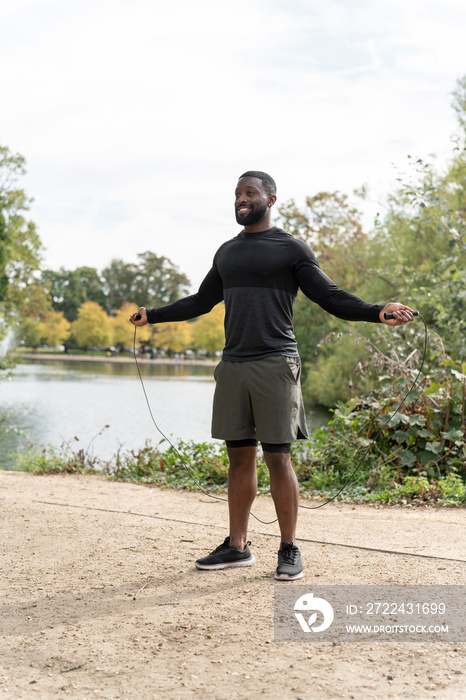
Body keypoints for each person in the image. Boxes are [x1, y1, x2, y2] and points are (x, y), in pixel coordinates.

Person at [130, 170, 415, 581]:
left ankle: (289, 548)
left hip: (275, 363)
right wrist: (152, 315)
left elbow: (329, 297)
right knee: (237, 457)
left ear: (271, 199)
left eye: (250, 193)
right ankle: (237, 546)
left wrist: (377, 311)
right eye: (237, 194)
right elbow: (201, 301)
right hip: (233, 364)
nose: (241, 199)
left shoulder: (290, 249)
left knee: (278, 458)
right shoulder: (227, 252)